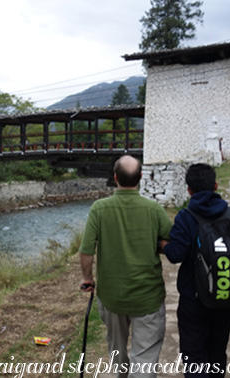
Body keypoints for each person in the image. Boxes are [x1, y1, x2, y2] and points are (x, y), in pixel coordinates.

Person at [159, 163, 230, 378]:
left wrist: (161, 244)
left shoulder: (186, 217)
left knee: (194, 355)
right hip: (228, 298)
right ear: (216, 185)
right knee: (217, 351)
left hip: (194, 299)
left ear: (189, 190)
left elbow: (175, 254)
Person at [79, 155, 173, 378]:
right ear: (140, 177)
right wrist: (155, 244)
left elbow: (86, 250)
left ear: (114, 178)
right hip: (147, 296)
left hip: (112, 296)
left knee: (117, 349)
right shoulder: (154, 209)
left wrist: (87, 278)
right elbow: (172, 243)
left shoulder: (99, 208)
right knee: (145, 356)